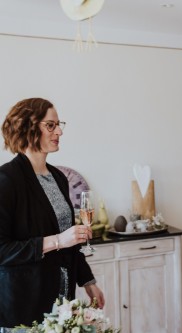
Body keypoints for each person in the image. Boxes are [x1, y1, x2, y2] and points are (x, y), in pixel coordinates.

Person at [0, 98, 105, 328]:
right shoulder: (6, 180)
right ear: (28, 127)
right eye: (50, 125)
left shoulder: (58, 177)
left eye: (59, 124)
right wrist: (57, 241)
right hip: (24, 306)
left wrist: (88, 280)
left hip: (62, 303)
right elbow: (2, 250)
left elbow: (70, 240)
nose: (59, 131)